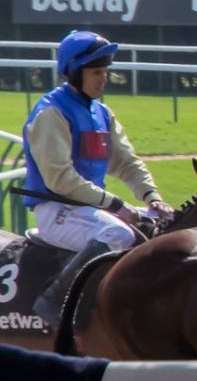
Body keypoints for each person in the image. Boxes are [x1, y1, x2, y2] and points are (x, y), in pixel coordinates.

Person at [18, 30, 171, 323]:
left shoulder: (102, 113)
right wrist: (116, 205)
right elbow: (60, 179)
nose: (104, 79)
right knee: (118, 233)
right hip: (56, 210)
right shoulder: (51, 112)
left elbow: (126, 162)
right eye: (96, 72)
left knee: (163, 224)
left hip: (89, 209)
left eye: (105, 71)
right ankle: (55, 300)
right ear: (75, 73)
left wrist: (152, 197)